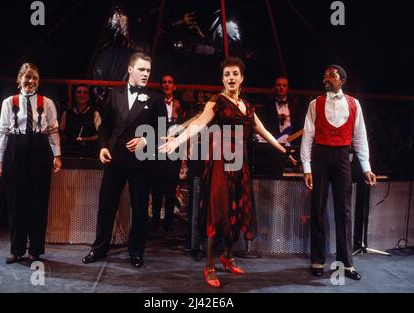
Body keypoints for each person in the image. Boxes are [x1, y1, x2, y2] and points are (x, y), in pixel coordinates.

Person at [159, 57, 295, 288]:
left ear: (242, 78)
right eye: (226, 74)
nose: (231, 78)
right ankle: (210, 265)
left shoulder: (247, 106)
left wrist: (284, 152)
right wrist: (177, 140)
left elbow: (264, 131)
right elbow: (198, 124)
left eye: (234, 74)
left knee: (237, 209)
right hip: (220, 163)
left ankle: (227, 257)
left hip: (239, 164)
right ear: (222, 78)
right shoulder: (216, 102)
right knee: (217, 209)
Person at [82, 52, 166, 268]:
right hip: (115, 159)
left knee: (139, 209)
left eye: (148, 70)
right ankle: (99, 248)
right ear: (130, 69)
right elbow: (104, 127)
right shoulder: (114, 94)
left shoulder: (156, 98)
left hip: (141, 161)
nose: (146, 73)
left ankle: (136, 251)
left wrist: (145, 141)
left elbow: (163, 131)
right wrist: (102, 148)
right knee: (106, 205)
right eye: (141, 69)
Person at [300, 65, 377, 280]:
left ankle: (346, 263)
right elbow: (307, 136)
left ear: (341, 80)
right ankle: (317, 260)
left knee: (344, 211)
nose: (326, 78)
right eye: (324, 75)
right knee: (318, 208)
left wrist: (367, 168)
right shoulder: (315, 104)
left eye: (331, 75)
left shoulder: (354, 104)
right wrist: (307, 168)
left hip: (343, 157)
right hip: (320, 157)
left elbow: (360, 137)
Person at [0, 63, 62, 264]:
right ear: (19, 79)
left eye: (35, 78)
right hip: (16, 149)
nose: (31, 81)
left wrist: (56, 155)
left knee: (38, 201)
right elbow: (2, 131)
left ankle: (36, 250)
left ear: (38, 82)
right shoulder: (9, 102)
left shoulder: (46, 102)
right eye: (27, 77)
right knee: (16, 202)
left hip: (39, 150)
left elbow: (53, 131)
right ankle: (16, 249)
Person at [149, 75, 183, 233]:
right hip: (157, 147)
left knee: (171, 186)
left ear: (174, 86)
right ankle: (155, 219)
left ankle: (168, 221)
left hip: (175, 148)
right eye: (164, 82)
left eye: (170, 82)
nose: (167, 85)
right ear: (160, 86)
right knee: (156, 186)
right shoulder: (155, 102)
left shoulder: (181, 104)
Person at [59, 84, 101, 158]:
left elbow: (100, 134)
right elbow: (61, 132)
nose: (82, 95)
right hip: (70, 152)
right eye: (79, 92)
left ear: (89, 96)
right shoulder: (67, 113)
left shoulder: (94, 113)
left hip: (89, 153)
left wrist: (85, 139)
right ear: (75, 95)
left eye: (85, 92)